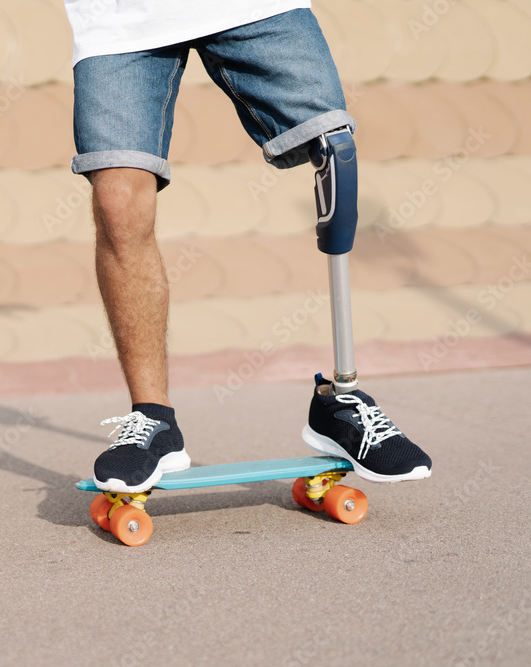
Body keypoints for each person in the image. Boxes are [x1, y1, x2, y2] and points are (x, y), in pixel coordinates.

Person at [61, 0, 433, 494]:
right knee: (117, 203)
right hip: (119, 19)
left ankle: (340, 402)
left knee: (334, 150)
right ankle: (153, 421)